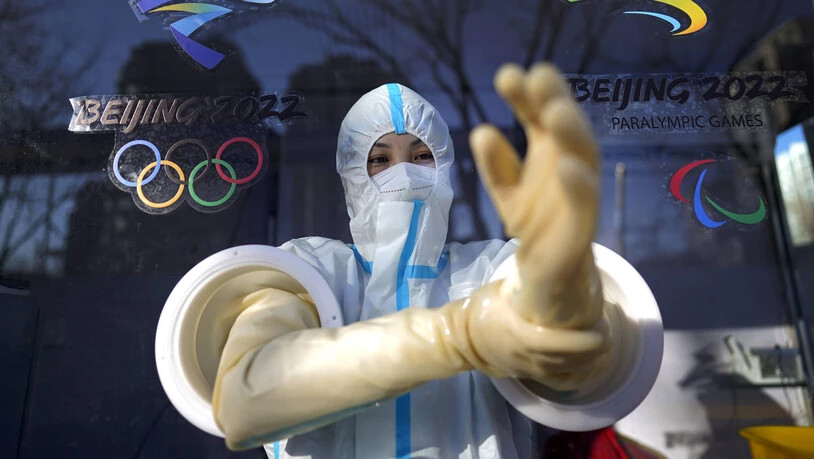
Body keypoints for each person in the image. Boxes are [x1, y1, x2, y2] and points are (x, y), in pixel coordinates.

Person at [210, 63, 610, 459]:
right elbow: (244, 401)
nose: (402, 172)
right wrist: (458, 336)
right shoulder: (310, 270)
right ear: (352, 176)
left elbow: (584, 367)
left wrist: (565, 292)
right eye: (379, 160)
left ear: (444, 167)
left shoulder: (490, 269)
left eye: (421, 156)